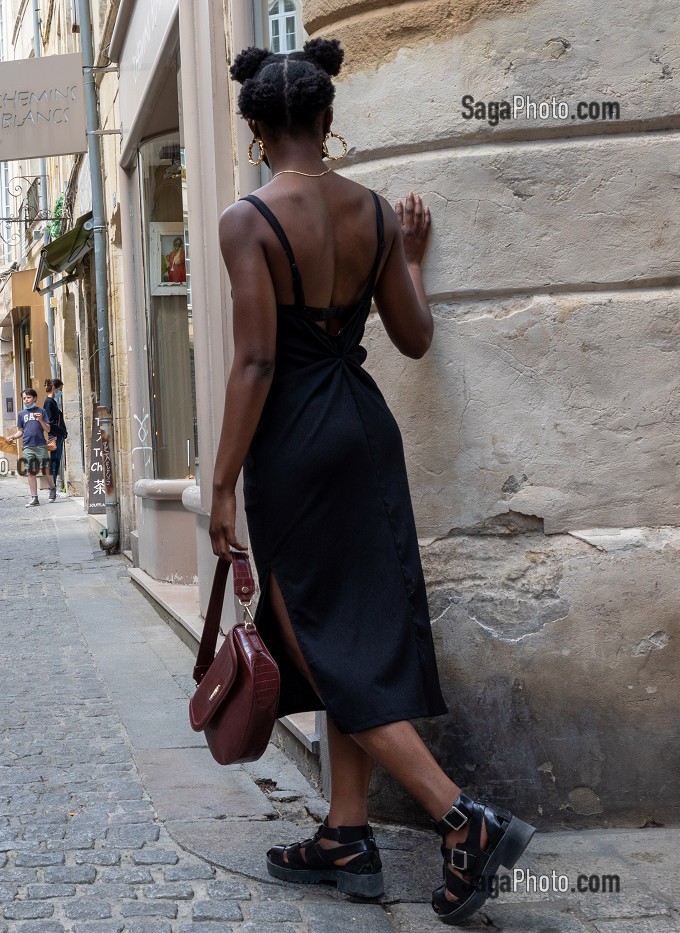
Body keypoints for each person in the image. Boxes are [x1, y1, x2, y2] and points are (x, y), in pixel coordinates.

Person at [209, 39, 532, 924]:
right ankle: (345, 832)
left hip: (294, 444)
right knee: (352, 625)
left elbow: (254, 361)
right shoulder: (380, 214)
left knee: (321, 636)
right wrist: (414, 262)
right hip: (363, 426)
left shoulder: (248, 220)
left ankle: (459, 818)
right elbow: (415, 338)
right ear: (327, 122)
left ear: (254, 128)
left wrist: (221, 480)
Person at [6, 387, 52, 507]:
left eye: (29, 397)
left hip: (41, 445)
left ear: (35, 398)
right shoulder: (21, 414)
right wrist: (13, 437)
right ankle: (34, 498)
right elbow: (20, 431)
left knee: (46, 469)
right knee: (31, 472)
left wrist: (41, 420)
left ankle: (52, 488)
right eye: (24, 398)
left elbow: (47, 429)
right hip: (27, 446)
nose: (26, 400)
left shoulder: (41, 412)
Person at [42, 379, 67, 501]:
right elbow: (50, 421)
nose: (60, 392)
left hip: (57, 435)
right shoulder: (49, 402)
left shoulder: (52, 402)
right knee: (55, 461)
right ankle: (52, 488)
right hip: (55, 436)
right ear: (54, 388)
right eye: (59, 390)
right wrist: (60, 431)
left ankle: (53, 488)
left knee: (56, 461)